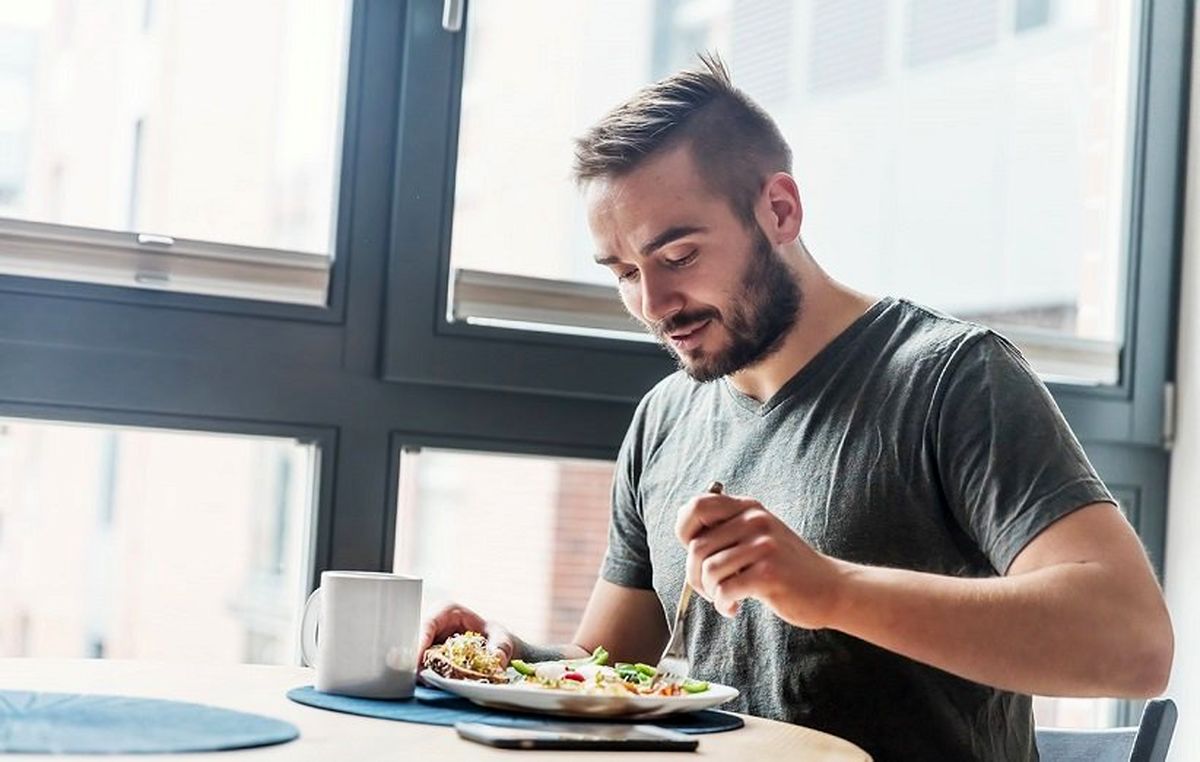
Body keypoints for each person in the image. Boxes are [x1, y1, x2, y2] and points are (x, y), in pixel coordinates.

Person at [418, 56, 1173, 760]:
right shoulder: (663, 419)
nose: (653, 305)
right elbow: (613, 667)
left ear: (779, 210)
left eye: (678, 256)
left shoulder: (951, 378)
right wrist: (511, 659)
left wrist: (832, 590)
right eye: (624, 272)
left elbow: (1134, 644)